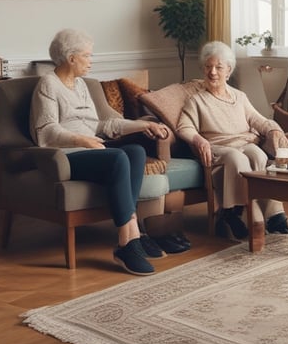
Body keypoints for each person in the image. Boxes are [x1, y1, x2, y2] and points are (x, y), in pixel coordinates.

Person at [30, 28, 179, 276]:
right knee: (119, 157)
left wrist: (143, 124)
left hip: (93, 147)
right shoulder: (48, 85)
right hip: (66, 156)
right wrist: (83, 140)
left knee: (135, 151)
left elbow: (101, 126)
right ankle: (126, 240)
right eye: (87, 56)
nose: (91, 61)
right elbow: (45, 131)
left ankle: (133, 232)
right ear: (71, 58)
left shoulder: (80, 85)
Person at [176, 40, 288, 239]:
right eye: (208, 67)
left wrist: (274, 130)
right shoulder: (196, 100)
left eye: (218, 67)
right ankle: (232, 212)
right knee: (236, 158)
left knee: (257, 154)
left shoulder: (239, 96)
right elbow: (183, 127)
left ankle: (273, 214)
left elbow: (258, 120)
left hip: (244, 143)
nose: (212, 72)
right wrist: (198, 140)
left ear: (228, 71)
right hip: (217, 147)